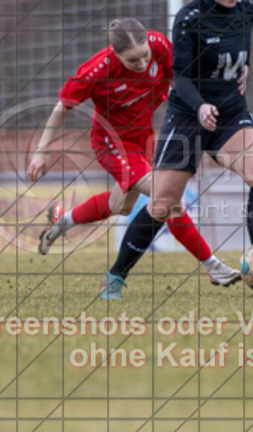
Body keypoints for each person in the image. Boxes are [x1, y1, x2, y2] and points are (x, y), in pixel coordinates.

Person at [100, 0, 253, 299]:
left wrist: (245, 68)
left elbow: (241, 55)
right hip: (189, 115)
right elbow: (182, 76)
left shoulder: (247, 11)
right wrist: (201, 105)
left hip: (230, 114)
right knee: (162, 204)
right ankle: (115, 277)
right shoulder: (189, 18)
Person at [27, 18, 240, 288]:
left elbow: (180, 78)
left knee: (122, 206)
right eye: (132, 61)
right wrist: (41, 152)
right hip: (111, 142)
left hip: (142, 138)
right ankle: (213, 266)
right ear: (115, 54)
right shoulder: (95, 71)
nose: (142, 64)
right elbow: (62, 107)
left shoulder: (159, 44)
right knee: (167, 198)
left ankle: (63, 221)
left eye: (144, 57)